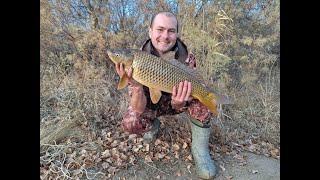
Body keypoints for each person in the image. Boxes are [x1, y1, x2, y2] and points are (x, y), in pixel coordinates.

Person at [114, 12, 217, 179]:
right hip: (151, 105)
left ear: (176, 33)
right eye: (160, 29)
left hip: (178, 100)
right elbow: (137, 107)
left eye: (171, 31)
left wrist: (179, 103)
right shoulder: (138, 57)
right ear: (150, 31)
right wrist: (136, 85)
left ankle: (200, 150)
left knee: (203, 100)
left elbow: (187, 94)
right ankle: (153, 125)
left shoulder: (186, 58)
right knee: (130, 121)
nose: (165, 36)